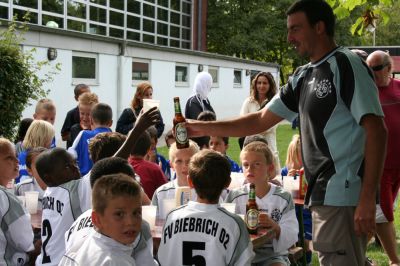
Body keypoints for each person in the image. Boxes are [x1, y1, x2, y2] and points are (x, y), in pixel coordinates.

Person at [185, 1, 387, 265]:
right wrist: (200, 127)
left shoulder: (346, 64)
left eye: (296, 29)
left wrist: (367, 198)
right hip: (323, 194)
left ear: (319, 27)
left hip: (345, 193)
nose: (289, 38)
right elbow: (259, 119)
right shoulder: (304, 75)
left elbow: (377, 130)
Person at [157, 149, 255, 265]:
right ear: (228, 183)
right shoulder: (234, 224)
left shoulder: (172, 217)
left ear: (190, 182)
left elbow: (162, 259)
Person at [63, 158, 156, 266]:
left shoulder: (77, 226)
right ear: (96, 219)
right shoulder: (114, 261)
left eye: (136, 213)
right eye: (119, 214)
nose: (130, 222)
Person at [226, 141, 298, 265]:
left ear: (269, 168)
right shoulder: (234, 196)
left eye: (257, 164)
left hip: (272, 255)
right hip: (241, 254)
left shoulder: (283, 197)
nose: (250, 169)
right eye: (246, 165)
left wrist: (274, 226)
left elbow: (291, 232)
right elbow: (225, 225)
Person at [366, 50, 400, 266]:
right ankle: (395, 261)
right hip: (380, 165)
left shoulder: (398, 89)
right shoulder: (366, 93)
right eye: (368, 68)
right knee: (382, 213)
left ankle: (359, 254)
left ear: (389, 68)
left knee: (384, 212)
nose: (372, 72)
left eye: (376, 67)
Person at [35, 148, 89, 266]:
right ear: (48, 177)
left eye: (75, 163)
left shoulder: (49, 192)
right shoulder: (75, 188)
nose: (75, 168)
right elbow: (107, 166)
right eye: (67, 167)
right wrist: (135, 133)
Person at [0, 138, 40, 265]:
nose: (17, 161)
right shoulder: (5, 197)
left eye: (16, 156)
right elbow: (26, 242)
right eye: (9, 158)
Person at [281, 134, 313, 264]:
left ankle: (307, 261)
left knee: (305, 242)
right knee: (293, 241)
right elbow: (284, 195)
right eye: (298, 156)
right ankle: (296, 262)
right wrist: (289, 180)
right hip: (292, 213)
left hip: (306, 213)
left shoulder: (310, 171)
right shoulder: (285, 172)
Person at [151, 140, 199, 218]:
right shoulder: (161, 193)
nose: (184, 165)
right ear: (171, 165)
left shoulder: (205, 191)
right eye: (179, 161)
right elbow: (153, 223)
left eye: (189, 161)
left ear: (197, 163)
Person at [68, 103, 113, 176]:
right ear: (111, 123)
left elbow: (70, 155)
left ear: (91, 120)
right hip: (106, 180)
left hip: (85, 179)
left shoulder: (83, 134)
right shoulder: (116, 137)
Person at [240, 72, 278, 154]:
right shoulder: (248, 102)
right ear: (255, 84)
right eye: (259, 83)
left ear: (270, 85)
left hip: (269, 147)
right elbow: (242, 122)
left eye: (265, 83)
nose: (261, 86)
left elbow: (270, 126)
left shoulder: (275, 102)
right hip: (250, 146)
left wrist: (252, 126)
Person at [128, 130, 167, 198]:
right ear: (148, 148)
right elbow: (166, 193)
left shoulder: (121, 165)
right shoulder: (155, 169)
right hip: (150, 207)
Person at [17, 119, 55, 183]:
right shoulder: (44, 159)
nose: (51, 142)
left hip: (21, 191)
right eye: (51, 138)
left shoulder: (20, 156)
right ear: (45, 139)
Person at [61, 84, 90, 148]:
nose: (87, 98)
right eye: (84, 95)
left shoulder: (94, 113)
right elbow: (63, 137)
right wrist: (77, 134)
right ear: (76, 98)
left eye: (89, 95)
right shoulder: (71, 114)